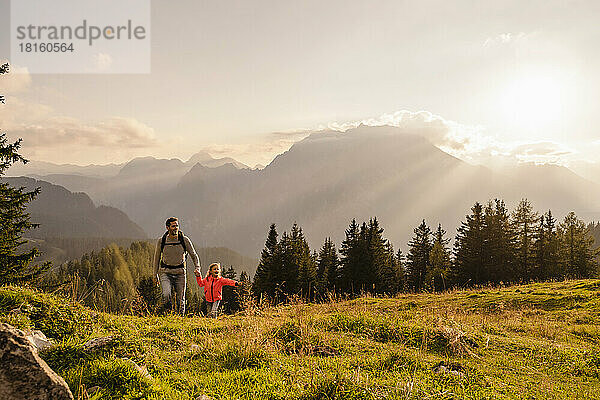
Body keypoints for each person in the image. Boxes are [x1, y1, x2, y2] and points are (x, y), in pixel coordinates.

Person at [153, 217, 202, 315]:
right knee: (166, 295)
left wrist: (197, 268)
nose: (176, 228)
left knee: (181, 299)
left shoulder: (184, 240)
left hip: (180, 273)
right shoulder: (162, 241)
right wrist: (155, 275)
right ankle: (168, 315)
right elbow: (156, 258)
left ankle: (180, 319)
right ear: (167, 228)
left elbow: (194, 255)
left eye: (177, 226)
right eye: (173, 226)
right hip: (165, 272)